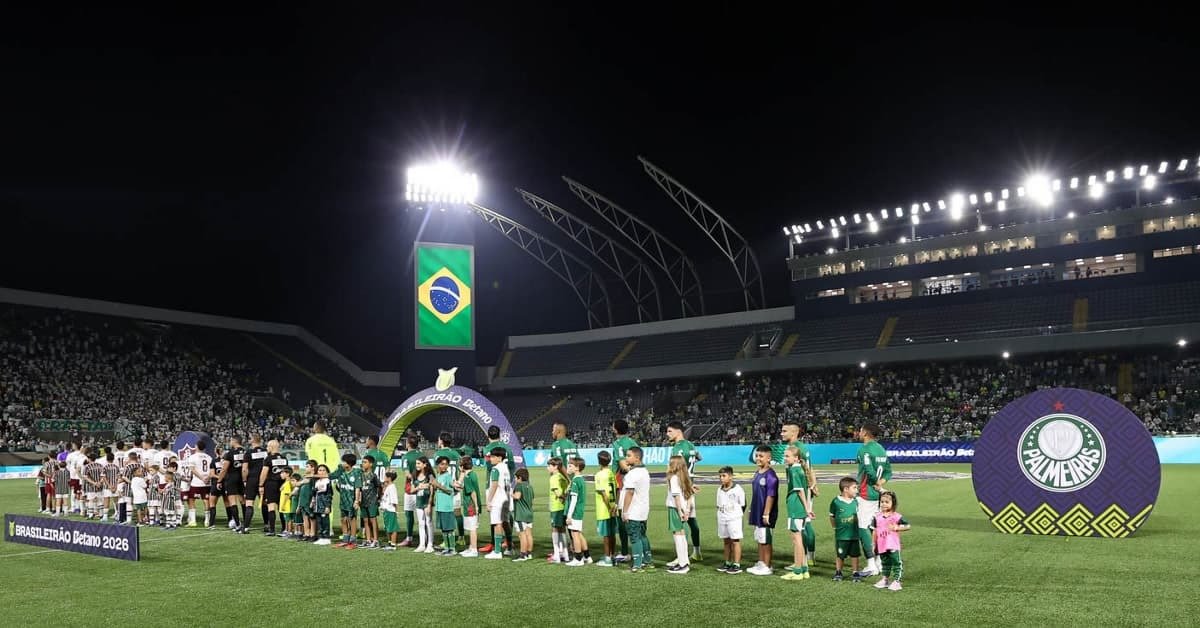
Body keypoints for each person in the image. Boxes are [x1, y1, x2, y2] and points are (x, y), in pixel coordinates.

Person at [855, 423, 892, 578]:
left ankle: (871, 565)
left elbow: (869, 471)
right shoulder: (881, 449)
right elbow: (889, 471)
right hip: (878, 495)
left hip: (866, 494)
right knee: (876, 528)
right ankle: (879, 562)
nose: (858, 432)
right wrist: (881, 484)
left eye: (860, 430)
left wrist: (875, 483)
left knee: (863, 528)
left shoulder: (864, 449)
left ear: (865, 433)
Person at [780, 420, 819, 562]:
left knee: (805, 523)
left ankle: (808, 558)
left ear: (794, 432)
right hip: (797, 488)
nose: (781, 433)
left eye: (784, 431)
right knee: (802, 524)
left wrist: (812, 485)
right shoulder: (791, 447)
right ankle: (804, 558)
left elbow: (808, 467)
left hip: (802, 489)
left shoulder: (800, 447)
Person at [666, 421, 702, 560]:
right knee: (692, 520)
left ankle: (682, 557)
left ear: (678, 431)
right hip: (689, 485)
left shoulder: (678, 448)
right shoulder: (690, 445)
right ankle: (697, 552)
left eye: (670, 431)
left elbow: (674, 468)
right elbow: (699, 457)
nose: (667, 434)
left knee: (681, 521)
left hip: (681, 487)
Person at [746, 445, 779, 576]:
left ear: (769, 458)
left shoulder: (771, 475)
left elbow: (771, 496)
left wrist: (766, 513)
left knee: (766, 540)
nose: (758, 458)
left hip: (765, 513)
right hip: (757, 511)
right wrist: (751, 509)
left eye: (761, 456)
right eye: (757, 456)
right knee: (760, 538)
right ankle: (761, 562)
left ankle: (768, 566)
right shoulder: (757, 472)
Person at [482, 426, 515, 554]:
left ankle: (495, 545)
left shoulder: (487, 449)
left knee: (495, 518)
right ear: (499, 434)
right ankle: (509, 542)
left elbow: (489, 467)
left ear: (488, 435)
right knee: (506, 516)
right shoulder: (508, 448)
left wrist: (488, 500)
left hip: (494, 485)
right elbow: (512, 466)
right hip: (506, 485)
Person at [782, 446, 812, 581]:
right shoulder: (798, 469)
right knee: (799, 538)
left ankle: (797, 571)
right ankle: (804, 569)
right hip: (800, 508)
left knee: (797, 540)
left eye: (787, 456)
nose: (785, 458)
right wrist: (807, 509)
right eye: (785, 455)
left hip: (795, 507)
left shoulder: (794, 470)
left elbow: (800, 491)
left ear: (796, 458)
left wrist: (807, 509)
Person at [620, 446, 652, 572]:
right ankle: (648, 562)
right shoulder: (644, 471)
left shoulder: (632, 474)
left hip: (634, 510)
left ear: (637, 458)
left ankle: (637, 565)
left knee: (634, 537)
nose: (626, 458)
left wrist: (625, 511)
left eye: (629, 456)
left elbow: (629, 493)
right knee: (642, 535)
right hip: (643, 509)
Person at [871, 491, 910, 591]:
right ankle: (885, 579)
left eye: (887, 502)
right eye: (882, 502)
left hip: (893, 544)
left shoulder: (897, 516)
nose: (883, 504)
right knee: (885, 563)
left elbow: (908, 526)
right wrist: (873, 544)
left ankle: (897, 581)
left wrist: (897, 528)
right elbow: (875, 531)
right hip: (882, 545)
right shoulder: (876, 517)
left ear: (893, 503)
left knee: (896, 562)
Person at [611, 419, 638, 562]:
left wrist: (629, 473)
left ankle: (625, 552)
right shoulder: (633, 442)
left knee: (621, 517)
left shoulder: (617, 444)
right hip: (635, 484)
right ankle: (640, 552)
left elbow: (621, 463)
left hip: (622, 482)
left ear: (616, 429)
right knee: (635, 517)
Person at [829, 477, 862, 583]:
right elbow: (832, 516)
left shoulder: (856, 501)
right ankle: (838, 572)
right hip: (842, 535)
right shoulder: (836, 502)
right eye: (854, 488)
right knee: (840, 555)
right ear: (846, 489)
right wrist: (835, 527)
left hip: (854, 534)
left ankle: (855, 572)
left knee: (855, 554)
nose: (857, 490)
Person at [664, 455, 693, 574]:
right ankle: (684, 561)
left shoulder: (673, 478)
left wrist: (680, 511)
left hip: (675, 509)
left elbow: (676, 498)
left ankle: (682, 564)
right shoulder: (685, 477)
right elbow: (690, 495)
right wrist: (687, 510)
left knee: (678, 535)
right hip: (683, 509)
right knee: (682, 535)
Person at [433, 433, 463, 545]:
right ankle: (461, 537)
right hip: (455, 487)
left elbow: (437, 471)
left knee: (446, 515)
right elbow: (461, 469)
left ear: (441, 441)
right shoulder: (456, 454)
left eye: (438, 439)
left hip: (444, 489)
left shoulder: (438, 454)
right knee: (457, 513)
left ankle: (447, 542)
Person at [715, 465, 745, 574]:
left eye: (724, 476)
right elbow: (718, 505)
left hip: (734, 518)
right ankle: (727, 562)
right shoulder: (719, 489)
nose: (721, 478)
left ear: (731, 476)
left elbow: (743, 504)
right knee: (726, 541)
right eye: (720, 476)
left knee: (735, 540)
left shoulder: (738, 489)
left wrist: (735, 515)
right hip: (722, 518)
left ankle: (736, 564)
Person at [483, 447, 511, 560]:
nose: (491, 459)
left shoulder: (495, 469)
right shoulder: (505, 467)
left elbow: (494, 485)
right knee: (505, 523)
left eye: (493, 457)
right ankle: (509, 547)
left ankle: (497, 551)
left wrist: (489, 501)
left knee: (497, 524)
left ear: (500, 458)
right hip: (506, 499)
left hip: (498, 500)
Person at [215, 436, 246, 533]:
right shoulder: (246, 452)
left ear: (234, 441)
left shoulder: (230, 453)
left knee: (232, 501)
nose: (230, 442)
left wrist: (219, 481)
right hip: (242, 478)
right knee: (243, 500)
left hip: (232, 478)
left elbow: (224, 469)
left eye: (230, 441)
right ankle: (246, 523)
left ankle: (237, 524)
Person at [564, 457, 591, 566]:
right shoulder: (580, 479)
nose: (568, 467)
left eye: (570, 465)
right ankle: (587, 556)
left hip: (575, 512)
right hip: (579, 511)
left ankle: (578, 559)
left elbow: (574, 499)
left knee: (575, 535)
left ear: (577, 468)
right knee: (579, 534)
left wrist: (569, 515)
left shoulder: (576, 481)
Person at [259, 439, 289, 536]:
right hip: (282, 485)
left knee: (271, 507)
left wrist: (260, 485)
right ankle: (284, 529)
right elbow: (288, 473)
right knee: (281, 507)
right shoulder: (284, 458)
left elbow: (264, 473)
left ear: (271, 447)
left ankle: (272, 530)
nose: (267, 448)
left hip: (271, 484)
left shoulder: (268, 459)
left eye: (268, 446)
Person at [593, 450, 617, 567]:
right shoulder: (611, 473)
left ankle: (607, 559)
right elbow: (616, 489)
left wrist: (609, 508)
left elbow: (603, 494)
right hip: (613, 506)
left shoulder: (599, 475)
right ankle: (612, 555)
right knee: (612, 533)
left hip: (604, 509)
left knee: (606, 534)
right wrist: (614, 506)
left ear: (599, 461)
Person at [333, 453, 362, 548]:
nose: (342, 463)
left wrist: (356, 501)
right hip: (343, 500)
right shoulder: (341, 472)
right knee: (343, 519)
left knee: (352, 520)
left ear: (349, 463)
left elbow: (357, 488)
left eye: (344, 461)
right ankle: (345, 540)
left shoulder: (356, 473)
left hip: (352, 501)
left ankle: (353, 541)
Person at [429, 456, 458, 555]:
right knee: (443, 528)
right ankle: (446, 548)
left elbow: (451, 491)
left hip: (447, 507)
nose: (444, 466)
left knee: (449, 528)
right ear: (438, 465)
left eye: (446, 464)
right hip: (439, 506)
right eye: (442, 464)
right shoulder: (439, 476)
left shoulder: (448, 476)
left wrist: (438, 485)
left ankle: (452, 549)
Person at [242, 434, 268, 532]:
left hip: (252, 480)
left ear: (252, 440)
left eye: (249, 438)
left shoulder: (249, 452)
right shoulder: (266, 452)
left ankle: (246, 527)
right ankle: (267, 525)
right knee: (265, 503)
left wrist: (244, 480)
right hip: (263, 480)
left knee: (249, 503)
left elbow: (244, 469)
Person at [399, 435, 422, 547]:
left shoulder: (405, 457)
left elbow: (407, 474)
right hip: (422, 488)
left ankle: (409, 538)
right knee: (423, 516)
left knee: (409, 513)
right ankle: (425, 539)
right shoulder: (422, 455)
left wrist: (414, 481)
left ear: (408, 444)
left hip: (410, 489)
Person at [546, 457, 569, 564]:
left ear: (555, 466)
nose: (547, 468)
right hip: (563, 507)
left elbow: (558, 494)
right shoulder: (562, 477)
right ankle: (565, 553)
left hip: (556, 507)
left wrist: (562, 497)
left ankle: (556, 554)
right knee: (562, 530)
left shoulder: (554, 478)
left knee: (555, 529)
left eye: (549, 466)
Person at [457, 456, 481, 557]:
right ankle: (471, 547)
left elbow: (472, 492)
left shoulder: (467, 477)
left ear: (462, 466)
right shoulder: (472, 474)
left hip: (470, 505)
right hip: (472, 504)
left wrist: (476, 506)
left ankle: (474, 550)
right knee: (472, 527)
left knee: (472, 528)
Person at [511, 467, 534, 562]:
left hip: (521, 514)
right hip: (529, 513)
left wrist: (510, 493)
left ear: (519, 477)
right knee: (529, 534)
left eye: (515, 478)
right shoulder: (530, 486)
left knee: (522, 534)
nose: (515, 480)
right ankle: (529, 553)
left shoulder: (519, 485)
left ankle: (522, 555)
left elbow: (517, 496)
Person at [412, 456, 435, 553]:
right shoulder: (415, 475)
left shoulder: (430, 476)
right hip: (419, 502)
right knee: (421, 524)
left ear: (425, 465)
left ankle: (430, 544)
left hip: (427, 502)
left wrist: (429, 504)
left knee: (428, 522)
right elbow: (412, 490)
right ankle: (422, 544)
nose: (417, 465)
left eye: (419, 463)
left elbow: (432, 491)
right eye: (416, 463)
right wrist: (419, 487)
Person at [359, 455, 382, 549]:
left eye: (365, 462)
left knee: (373, 520)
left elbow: (379, 487)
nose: (363, 464)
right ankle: (368, 540)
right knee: (365, 520)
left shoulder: (373, 475)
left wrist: (378, 497)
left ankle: (376, 540)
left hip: (372, 500)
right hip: (363, 501)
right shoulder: (360, 475)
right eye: (362, 462)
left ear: (371, 464)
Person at [312, 464, 334, 544]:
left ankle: (326, 538)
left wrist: (327, 506)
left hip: (324, 504)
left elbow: (329, 494)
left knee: (325, 521)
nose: (321, 472)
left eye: (323, 470)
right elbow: (314, 493)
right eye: (320, 470)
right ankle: (321, 537)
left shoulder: (327, 481)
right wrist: (313, 501)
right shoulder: (317, 482)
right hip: (317, 505)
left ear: (327, 472)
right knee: (319, 521)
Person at [380, 470, 400, 551]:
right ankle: (389, 543)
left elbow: (394, 501)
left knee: (393, 528)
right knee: (388, 527)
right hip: (386, 510)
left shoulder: (392, 487)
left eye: (385, 476)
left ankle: (393, 545)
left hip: (391, 510)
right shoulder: (388, 486)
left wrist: (396, 511)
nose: (384, 478)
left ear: (389, 478)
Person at [278, 471, 295, 538]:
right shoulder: (286, 482)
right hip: (285, 503)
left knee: (288, 519)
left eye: (282, 473)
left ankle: (289, 532)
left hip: (286, 504)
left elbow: (287, 495)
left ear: (287, 474)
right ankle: (286, 530)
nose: (281, 474)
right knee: (286, 518)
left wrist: (283, 505)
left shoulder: (288, 483)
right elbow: (280, 489)